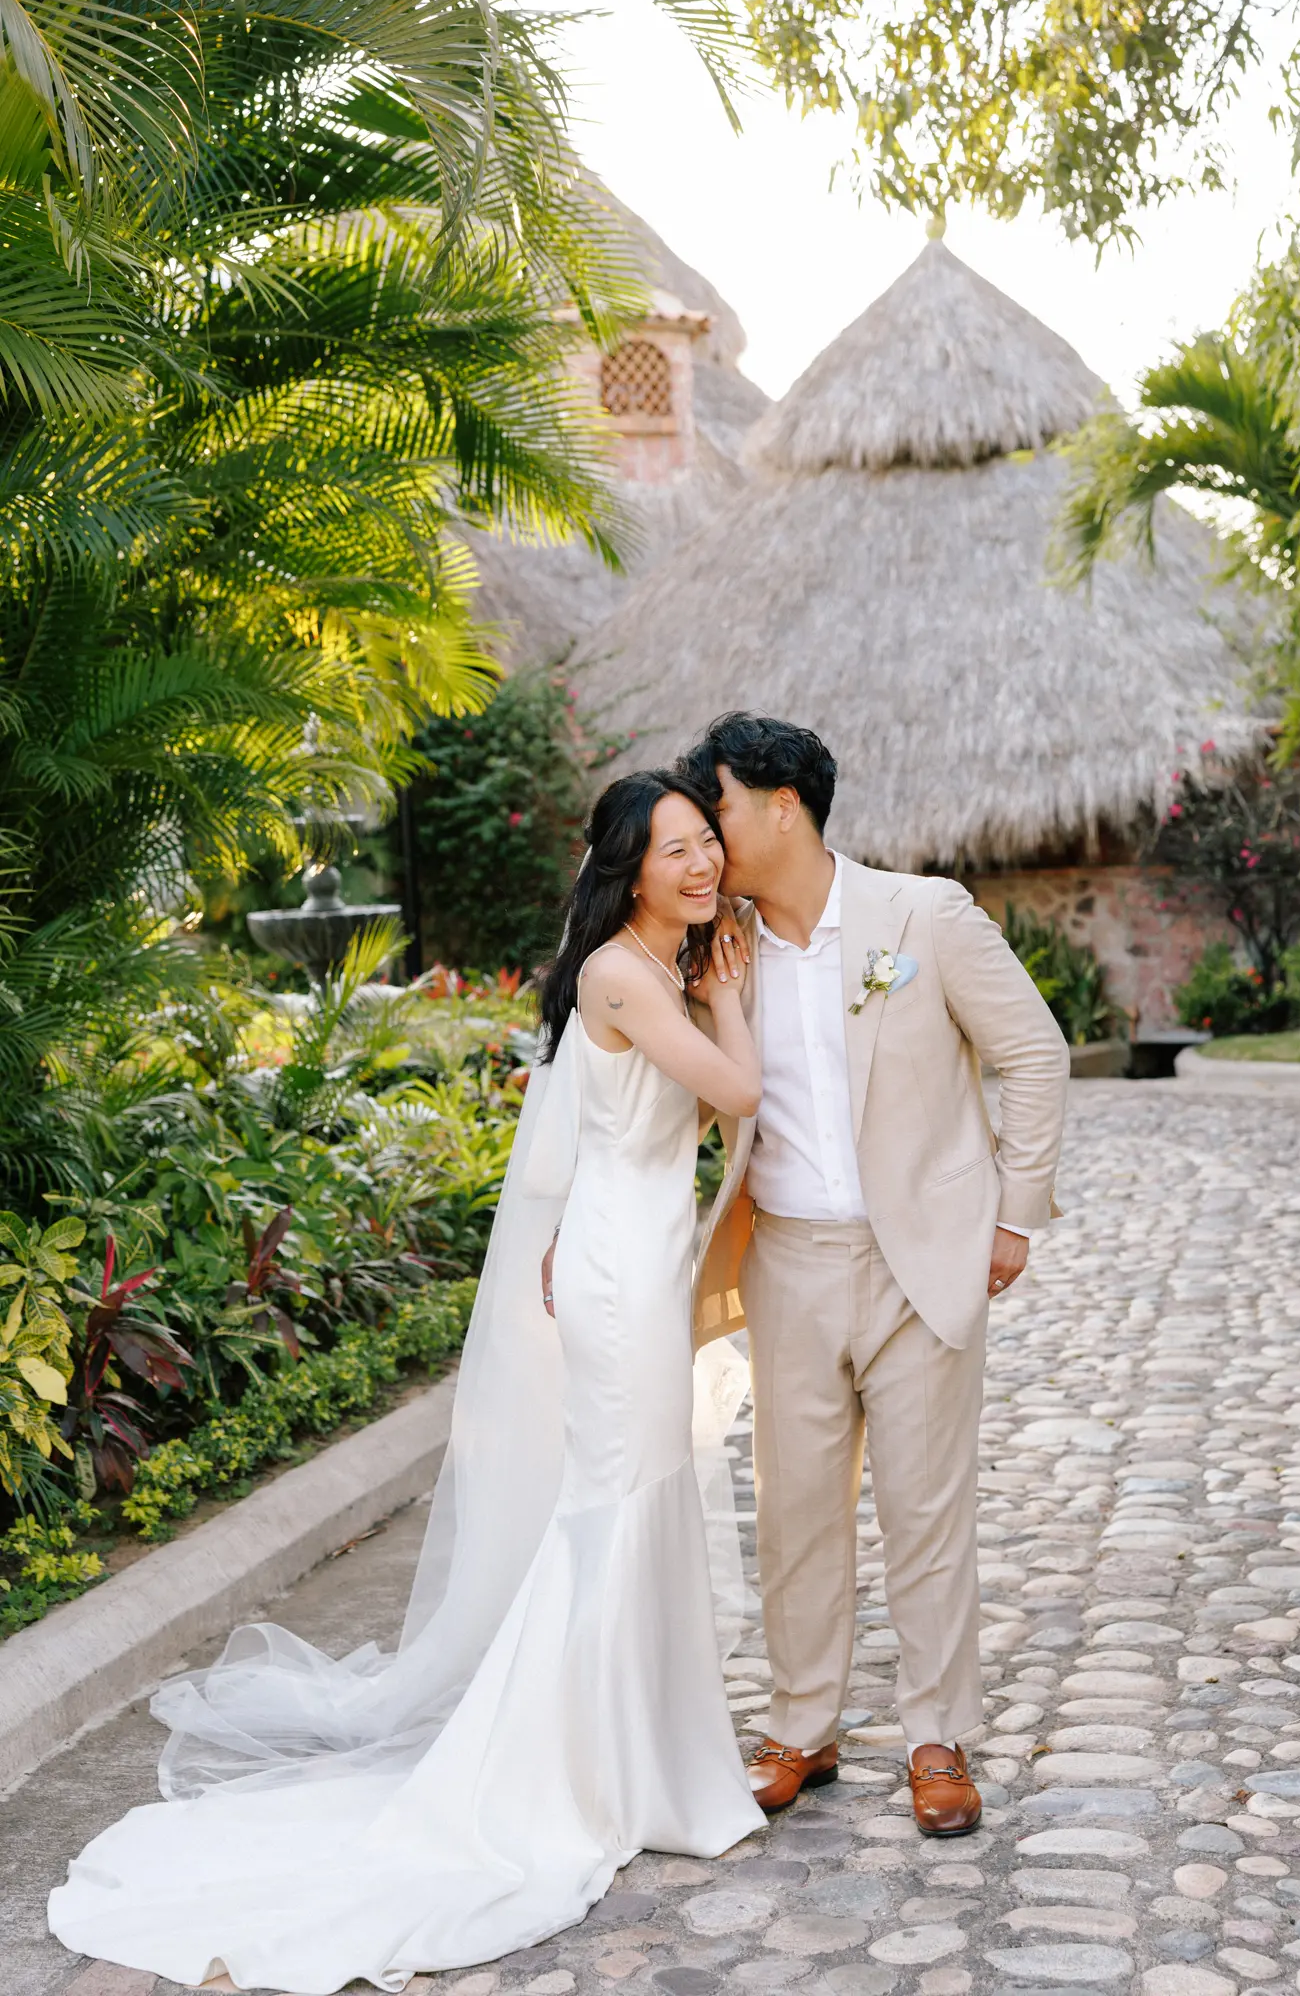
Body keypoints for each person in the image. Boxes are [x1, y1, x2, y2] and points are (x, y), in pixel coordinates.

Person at [48, 769, 765, 1996]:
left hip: (631, 1245)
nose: (702, 865)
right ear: (625, 869)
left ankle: (648, 1758)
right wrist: (737, 992)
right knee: (619, 1499)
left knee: (647, 1494)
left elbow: (638, 1132)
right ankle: (575, 1769)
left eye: (708, 842)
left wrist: (709, 985)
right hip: (612, 1271)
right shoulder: (621, 975)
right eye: (677, 850)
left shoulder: (659, 968)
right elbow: (737, 1093)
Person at [679, 712, 1069, 1836]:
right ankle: (802, 1724)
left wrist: (1015, 1214)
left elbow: (1032, 1053)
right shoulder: (724, 947)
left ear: (780, 805)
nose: (709, 839)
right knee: (795, 1507)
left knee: (924, 1506)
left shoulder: (923, 914)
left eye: (720, 811)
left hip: (919, 1263)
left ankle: (936, 1737)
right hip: (787, 1262)